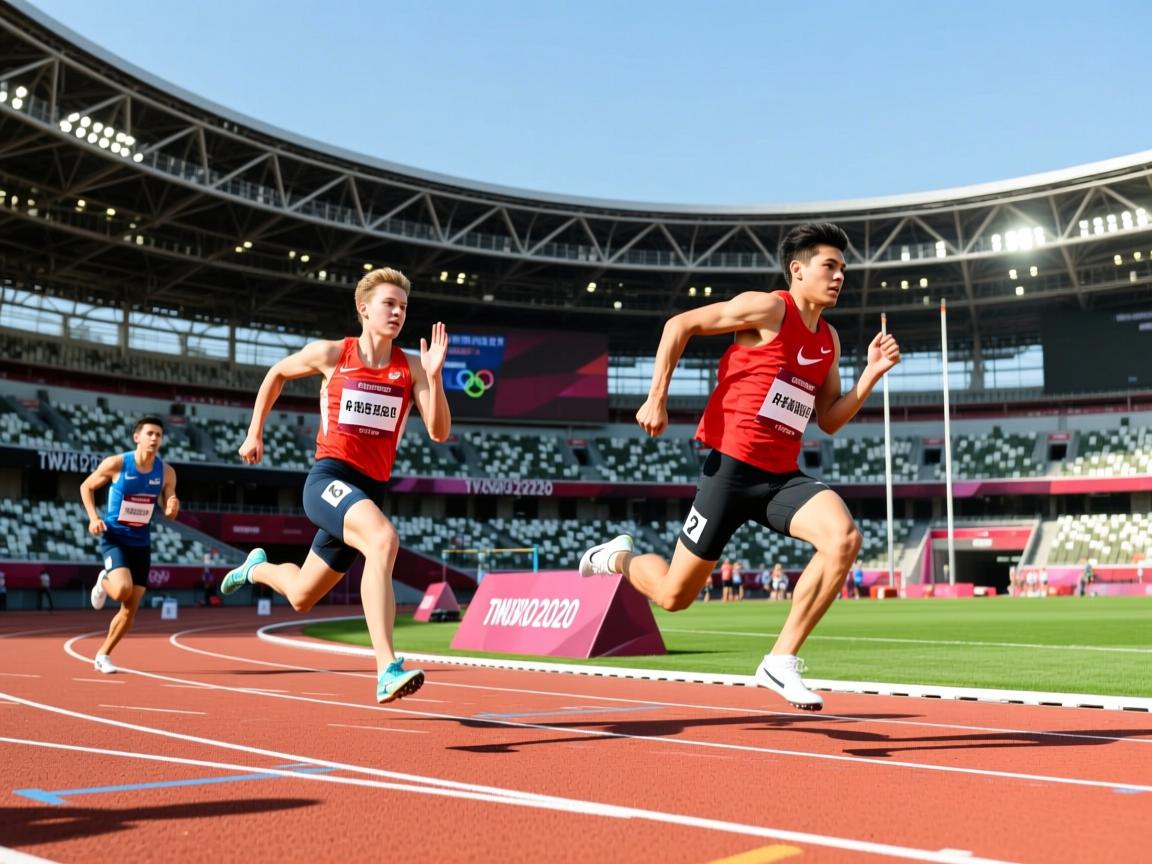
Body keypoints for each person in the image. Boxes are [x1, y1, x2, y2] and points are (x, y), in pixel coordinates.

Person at [580, 223, 901, 711]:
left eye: (842, 269)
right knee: (673, 596)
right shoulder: (770, 308)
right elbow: (677, 326)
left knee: (844, 539)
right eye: (828, 266)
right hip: (729, 471)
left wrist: (871, 375)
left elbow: (830, 419)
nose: (839, 277)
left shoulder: (829, 340)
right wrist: (656, 397)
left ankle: (780, 661)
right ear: (797, 270)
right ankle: (617, 557)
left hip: (779, 478)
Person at [219, 267, 450, 705]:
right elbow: (276, 374)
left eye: (404, 306)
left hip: (369, 490)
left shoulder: (414, 367)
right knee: (382, 540)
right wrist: (254, 432)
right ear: (364, 308)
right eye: (389, 304)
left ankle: (256, 568)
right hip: (329, 480)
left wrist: (435, 379)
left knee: (303, 595)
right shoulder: (332, 354)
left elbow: (439, 431)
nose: (398, 312)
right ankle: (387, 668)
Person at [80, 415, 180, 673]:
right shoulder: (117, 464)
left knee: (129, 610)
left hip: (141, 544)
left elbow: (169, 507)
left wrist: (172, 506)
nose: (154, 439)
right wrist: (93, 518)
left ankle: (103, 654)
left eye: (158, 435)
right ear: (137, 437)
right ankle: (104, 579)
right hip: (115, 537)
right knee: (122, 590)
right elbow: (86, 486)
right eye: (150, 433)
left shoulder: (166, 472)